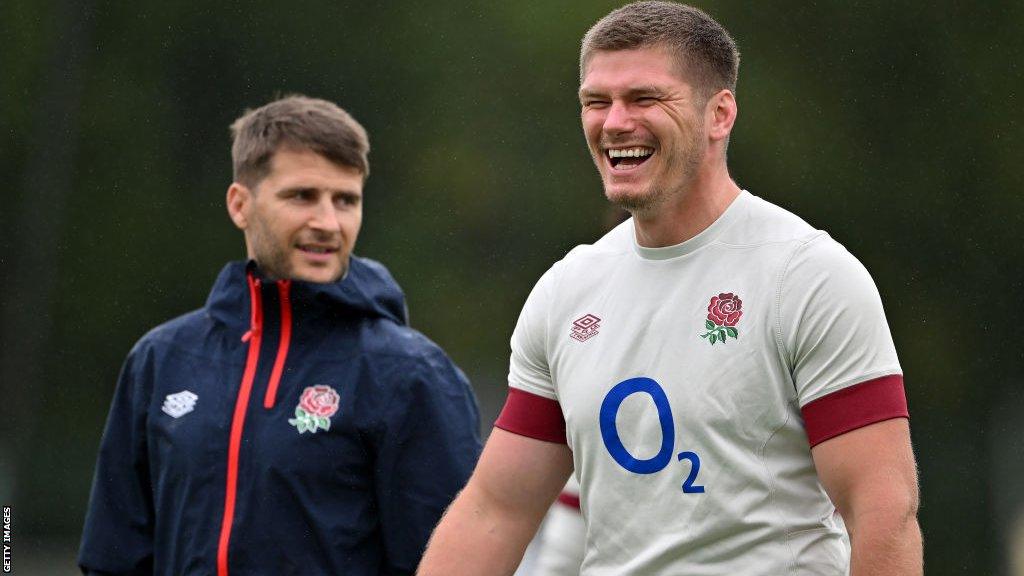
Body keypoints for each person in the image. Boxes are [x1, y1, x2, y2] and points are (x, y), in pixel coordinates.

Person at [418, 2, 921, 574]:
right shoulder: (565, 291)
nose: (613, 123)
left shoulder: (807, 275)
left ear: (719, 114)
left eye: (645, 98)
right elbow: (495, 512)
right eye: (596, 102)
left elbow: (882, 509)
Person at [78, 95, 482, 576]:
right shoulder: (162, 359)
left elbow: (457, 565)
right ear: (240, 205)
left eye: (345, 200)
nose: (328, 223)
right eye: (302, 196)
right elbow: (113, 557)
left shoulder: (411, 374)